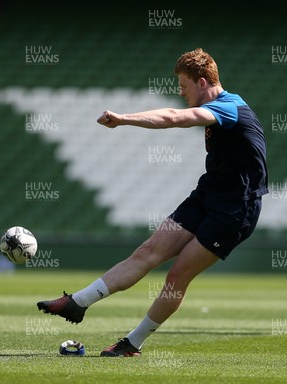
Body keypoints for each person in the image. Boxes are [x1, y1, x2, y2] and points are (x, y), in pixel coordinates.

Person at [37, 48, 269, 356]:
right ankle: (77, 303)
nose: (182, 94)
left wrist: (123, 119)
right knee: (148, 251)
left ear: (202, 82)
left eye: (184, 87)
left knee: (177, 275)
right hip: (208, 193)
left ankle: (133, 342)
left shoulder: (228, 107)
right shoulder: (218, 106)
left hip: (235, 209)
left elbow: (174, 117)